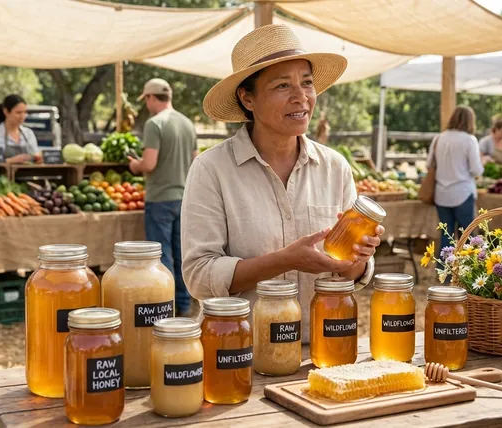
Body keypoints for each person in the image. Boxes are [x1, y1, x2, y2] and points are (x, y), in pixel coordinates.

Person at [181, 24, 384, 342]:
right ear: (247, 98)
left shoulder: (335, 168)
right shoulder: (211, 170)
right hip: (238, 349)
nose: (301, 97)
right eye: (281, 86)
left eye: (307, 83)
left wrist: (358, 257)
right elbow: (199, 276)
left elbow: (351, 273)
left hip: (320, 346)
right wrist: (285, 261)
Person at [128, 78, 197, 316]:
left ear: (150, 97)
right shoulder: (187, 123)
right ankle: (184, 304)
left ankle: (164, 306)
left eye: (145, 99)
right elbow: (196, 161)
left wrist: (135, 166)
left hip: (160, 198)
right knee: (182, 254)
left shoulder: (154, 124)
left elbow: (149, 163)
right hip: (185, 197)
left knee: (162, 255)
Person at [427, 106, 483, 254]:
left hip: (441, 194)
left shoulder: (439, 138)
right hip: (463, 193)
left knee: (446, 236)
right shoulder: (469, 140)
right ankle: (469, 274)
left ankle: (444, 273)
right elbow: (476, 170)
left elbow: (429, 165)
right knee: (468, 237)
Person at [0, 95, 40, 164]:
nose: (22, 116)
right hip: (3, 174)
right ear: (6, 112)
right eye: (18, 112)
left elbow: (36, 157)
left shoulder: (29, 133)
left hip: (29, 174)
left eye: (24, 112)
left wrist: (39, 159)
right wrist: (11, 161)